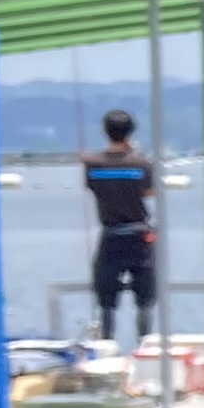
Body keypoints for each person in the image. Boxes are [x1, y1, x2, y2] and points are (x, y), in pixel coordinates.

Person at [81, 108, 160, 349]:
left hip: (111, 235)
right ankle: (143, 344)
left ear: (105, 131)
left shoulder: (92, 165)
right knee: (145, 299)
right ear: (130, 132)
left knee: (106, 299)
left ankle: (107, 345)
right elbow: (149, 192)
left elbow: (91, 187)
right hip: (139, 235)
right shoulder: (142, 164)